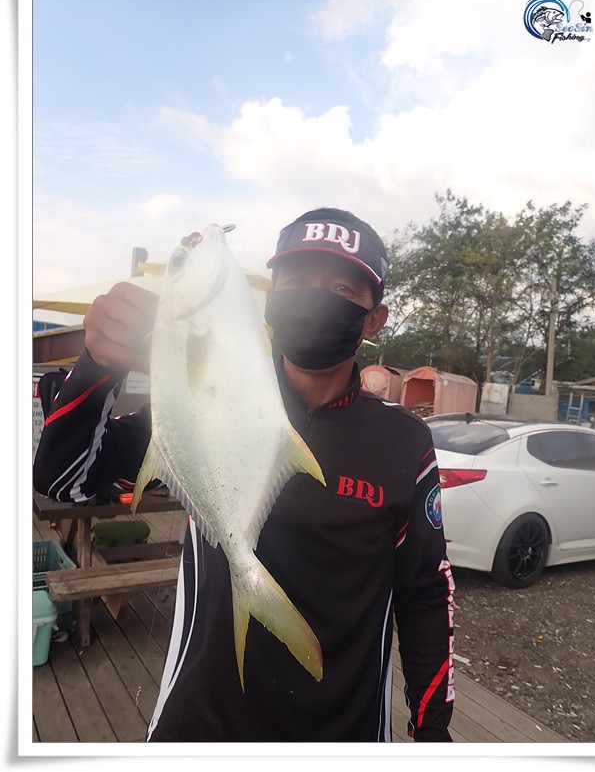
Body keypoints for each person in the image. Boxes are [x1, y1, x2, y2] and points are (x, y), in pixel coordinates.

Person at [33, 207, 455, 742]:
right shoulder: (212, 398)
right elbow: (66, 480)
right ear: (271, 297)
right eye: (296, 280)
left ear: (375, 319)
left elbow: (424, 592)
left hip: (345, 737)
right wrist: (99, 365)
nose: (315, 297)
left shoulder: (403, 441)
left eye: (343, 289)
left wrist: (432, 733)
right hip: (197, 729)